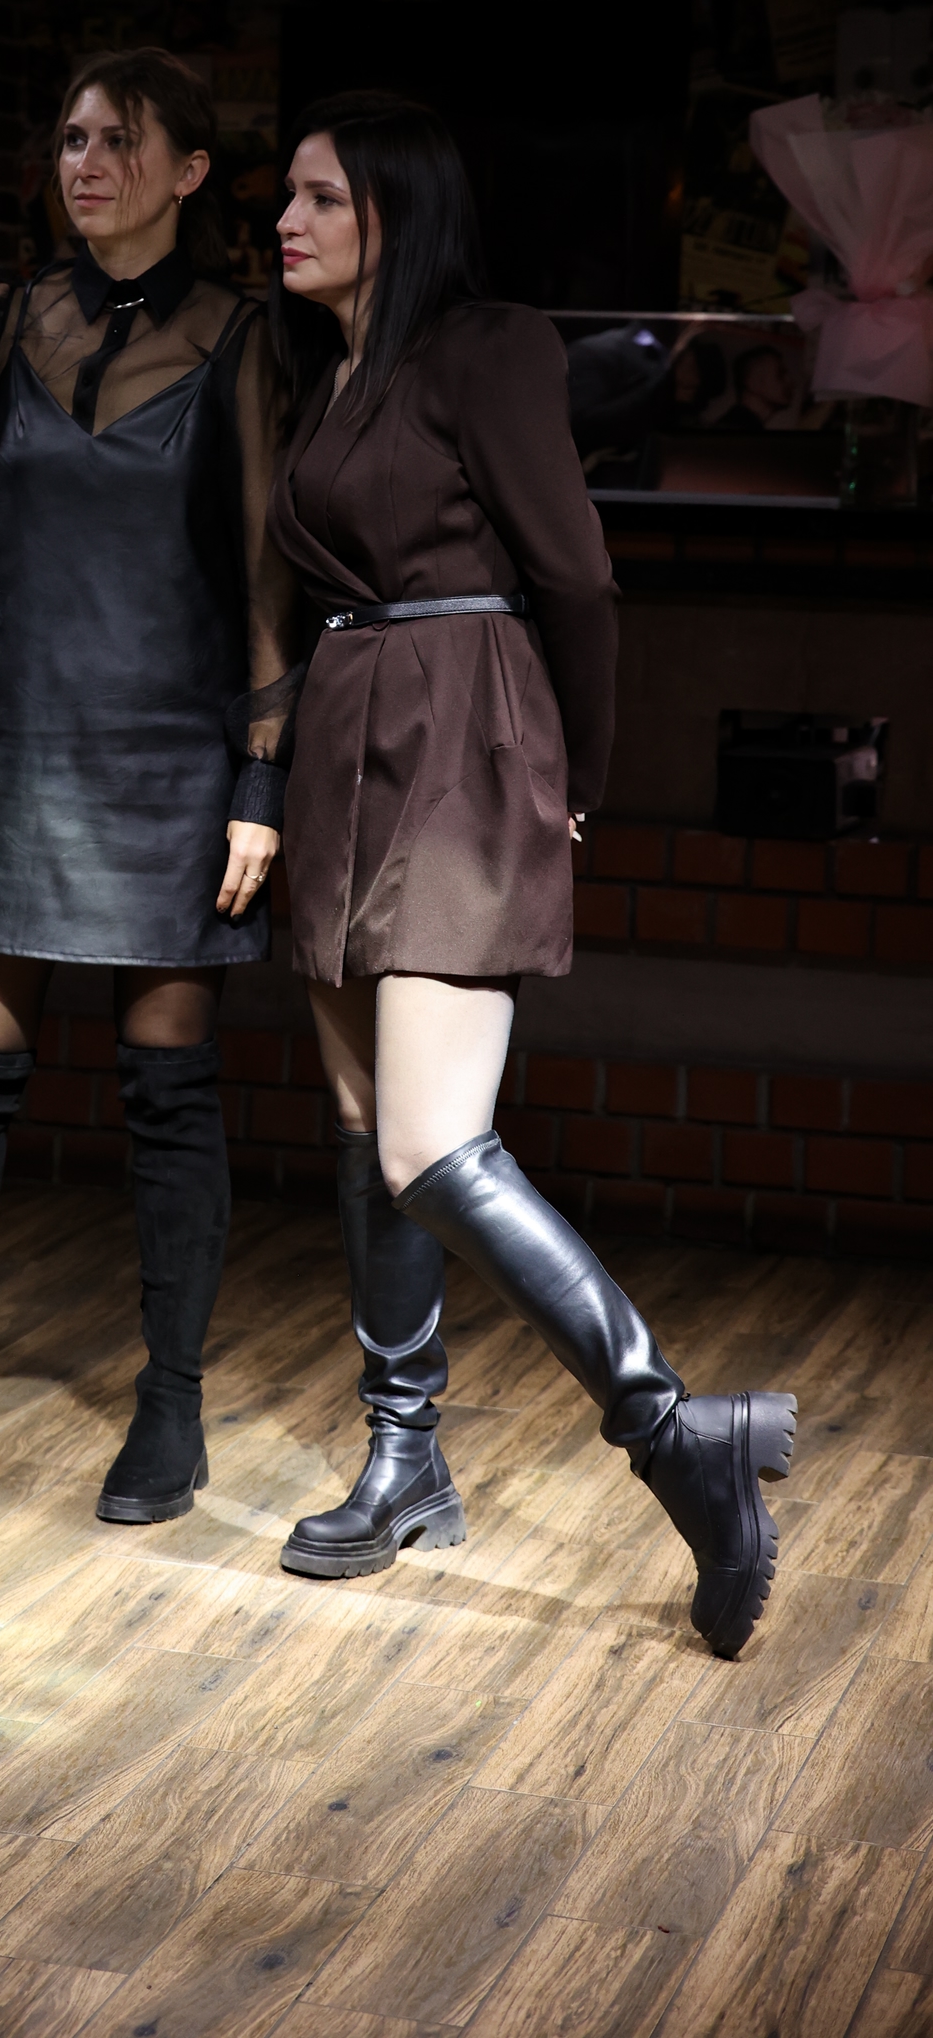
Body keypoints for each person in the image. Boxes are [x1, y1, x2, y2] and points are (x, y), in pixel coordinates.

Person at [266, 92, 795, 1661]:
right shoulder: (327, 368)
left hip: (461, 738)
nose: (286, 221)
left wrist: (576, 781)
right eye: (287, 195)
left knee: (433, 1140)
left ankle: (677, 1433)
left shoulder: (486, 347)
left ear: (397, 211)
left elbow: (578, 577)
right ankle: (406, 1460)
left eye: (320, 197)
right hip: (348, 743)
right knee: (369, 1134)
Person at [0, 47, 301, 1523]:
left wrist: (261, 779)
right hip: (15, 748)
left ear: (190, 172)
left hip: (174, 761)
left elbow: (269, 576)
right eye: (71, 139)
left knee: (168, 1098)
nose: (87, 164)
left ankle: (171, 1407)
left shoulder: (243, 338)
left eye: (120, 141)